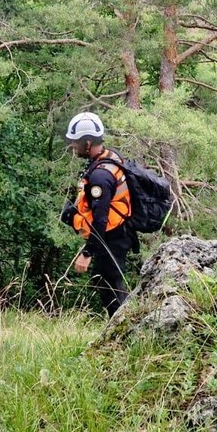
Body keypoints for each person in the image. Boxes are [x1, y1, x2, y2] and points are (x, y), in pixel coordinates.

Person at [59, 112, 138, 317]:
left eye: (75, 142)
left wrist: (87, 253)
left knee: (108, 283)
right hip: (119, 232)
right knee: (107, 281)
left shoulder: (100, 176)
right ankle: (126, 328)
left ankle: (126, 331)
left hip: (114, 236)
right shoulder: (110, 157)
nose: (72, 146)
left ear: (87, 143)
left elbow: (100, 219)